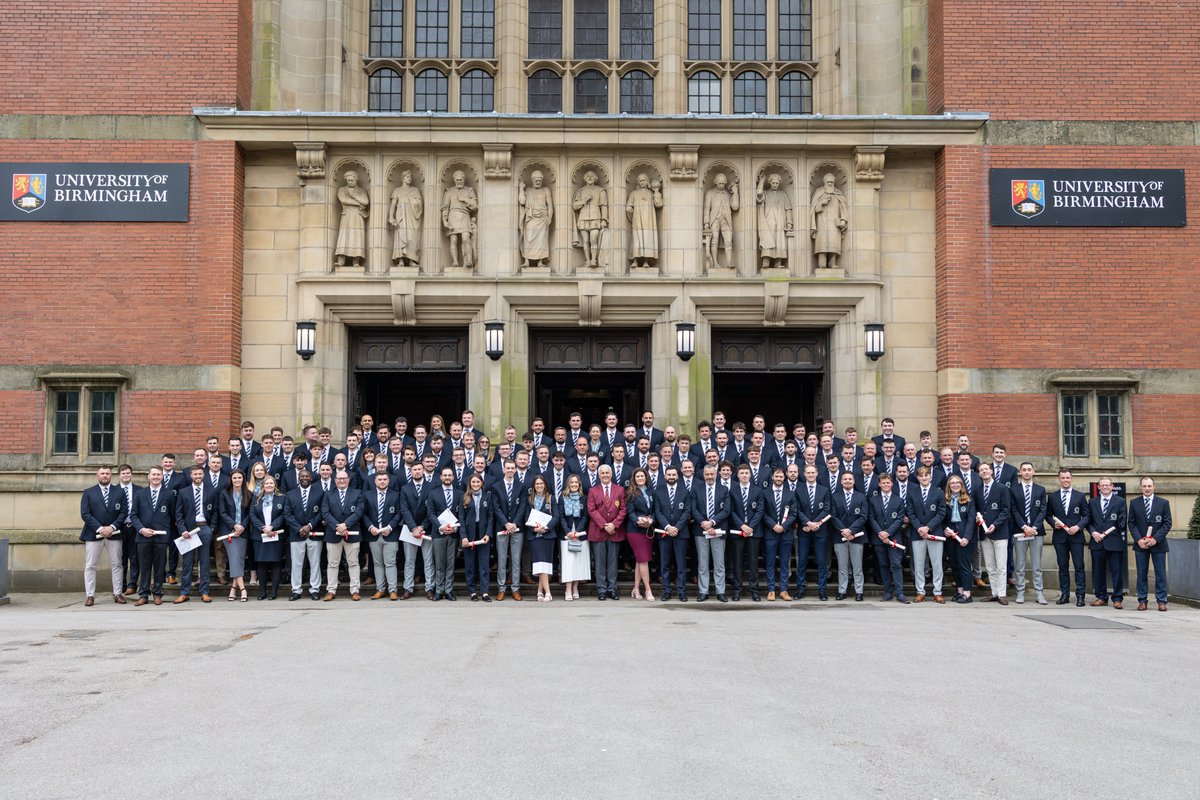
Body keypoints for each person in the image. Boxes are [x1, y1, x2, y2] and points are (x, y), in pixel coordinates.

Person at [130, 466, 174, 606]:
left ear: (162, 476)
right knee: (144, 566)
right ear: (148, 476)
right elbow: (134, 515)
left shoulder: (169, 494)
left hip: (161, 537)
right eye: (153, 474)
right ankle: (143, 595)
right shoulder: (139, 494)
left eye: (158, 475)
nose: (156, 477)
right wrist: (142, 529)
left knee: (160, 567)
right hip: (143, 537)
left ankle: (157, 594)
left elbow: (172, 516)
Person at [174, 465, 218, 604]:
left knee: (204, 562)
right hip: (189, 530)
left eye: (200, 474)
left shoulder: (212, 491)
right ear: (191, 475)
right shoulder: (183, 492)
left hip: (205, 528)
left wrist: (212, 528)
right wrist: (182, 530)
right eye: (195, 474)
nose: (198, 476)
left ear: (203, 474)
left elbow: (216, 511)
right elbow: (178, 514)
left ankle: (204, 592)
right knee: (187, 562)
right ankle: (184, 592)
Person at [1047, 468, 1090, 606]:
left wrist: (1078, 526)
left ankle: (1080, 596)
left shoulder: (1080, 496)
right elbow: (1047, 515)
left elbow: (1087, 515)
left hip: (1076, 537)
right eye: (1063, 478)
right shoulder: (1053, 497)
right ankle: (1064, 595)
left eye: (1067, 478)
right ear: (1059, 479)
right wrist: (1054, 524)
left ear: (1071, 478)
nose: (1065, 480)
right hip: (1060, 537)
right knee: (1062, 567)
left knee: (1079, 566)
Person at [321, 469, 364, 601]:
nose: (342, 481)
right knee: (333, 563)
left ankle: (355, 590)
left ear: (348, 479)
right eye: (339, 478)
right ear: (335, 480)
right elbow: (325, 513)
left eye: (344, 478)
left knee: (353, 563)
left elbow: (359, 511)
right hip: (333, 534)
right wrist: (337, 526)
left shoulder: (357, 493)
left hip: (352, 533)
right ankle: (331, 590)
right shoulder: (328, 494)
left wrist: (346, 525)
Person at [1130, 476, 1171, 611]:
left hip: (1158, 544)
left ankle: (1161, 601)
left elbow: (1167, 523)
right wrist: (1139, 540)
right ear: (1141, 487)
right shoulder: (1134, 503)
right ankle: (1142, 600)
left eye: (1149, 486)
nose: (1147, 488)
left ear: (1154, 487)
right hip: (1141, 545)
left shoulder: (1163, 503)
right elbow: (1132, 524)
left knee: (1160, 574)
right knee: (1142, 573)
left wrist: (1155, 539)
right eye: (1144, 486)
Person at [284, 467, 325, 601]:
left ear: (311, 478)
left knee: (315, 563)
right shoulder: (290, 494)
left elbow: (321, 512)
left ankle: (315, 589)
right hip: (297, 535)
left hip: (314, 532)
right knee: (296, 564)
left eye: (307, 476)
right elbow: (287, 515)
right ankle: (296, 590)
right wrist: (299, 528)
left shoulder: (319, 492)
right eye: (302, 476)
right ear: (298, 478)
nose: (305, 478)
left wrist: (309, 526)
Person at [1010, 462, 1048, 605]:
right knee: (1020, 564)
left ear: (1034, 472)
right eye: (1024, 470)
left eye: (1029, 470)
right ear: (1020, 472)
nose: (1026, 472)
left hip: (1036, 532)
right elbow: (1013, 510)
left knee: (1037, 565)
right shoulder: (1014, 490)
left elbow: (1043, 510)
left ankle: (1039, 593)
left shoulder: (1040, 490)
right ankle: (1020, 592)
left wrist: (1034, 527)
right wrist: (1025, 526)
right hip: (1020, 531)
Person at [907, 466, 947, 602]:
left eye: (926, 475)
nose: (924, 478)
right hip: (917, 533)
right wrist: (920, 528)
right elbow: (910, 513)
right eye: (921, 476)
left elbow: (941, 513)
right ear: (917, 478)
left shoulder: (938, 493)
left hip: (935, 533)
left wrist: (928, 527)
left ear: (931, 477)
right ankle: (920, 591)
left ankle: (937, 591)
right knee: (918, 564)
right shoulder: (912, 492)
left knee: (937, 564)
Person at [868, 473, 910, 603]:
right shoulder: (873, 500)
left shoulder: (899, 500)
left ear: (892, 484)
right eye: (883, 483)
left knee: (896, 564)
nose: (886, 485)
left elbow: (899, 519)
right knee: (883, 565)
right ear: (879, 484)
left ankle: (900, 593)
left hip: (894, 538)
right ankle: (888, 592)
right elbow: (871, 518)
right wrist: (881, 533)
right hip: (878, 538)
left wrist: (888, 533)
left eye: (888, 483)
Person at [587, 464, 627, 601]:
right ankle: (601, 589)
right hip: (598, 531)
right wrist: (604, 525)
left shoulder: (620, 490)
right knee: (599, 562)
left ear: (611, 474)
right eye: (602, 473)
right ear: (599, 475)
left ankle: (612, 589)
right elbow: (591, 510)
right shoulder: (593, 490)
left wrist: (614, 524)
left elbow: (623, 509)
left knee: (612, 562)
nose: (605, 475)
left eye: (607, 473)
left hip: (614, 531)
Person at [691, 464, 730, 602]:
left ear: (716, 474)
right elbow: (694, 509)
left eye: (711, 474)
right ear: (703, 475)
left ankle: (720, 592)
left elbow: (726, 510)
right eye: (707, 474)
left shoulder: (724, 490)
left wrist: (712, 523)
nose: (709, 477)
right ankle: (703, 591)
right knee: (702, 563)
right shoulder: (696, 489)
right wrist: (705, 524)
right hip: (701, 530)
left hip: (718, 530)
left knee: (719, 563)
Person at [1087, 477, 1128, 609]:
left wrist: (1107, 532)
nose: (1105, 487)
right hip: (1097, 541)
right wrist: (1093, 532)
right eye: (1102, 485)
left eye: (1107, 485)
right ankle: (1101, 597)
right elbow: (1088, 520)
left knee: (1116, 571)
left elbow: (1122, 522)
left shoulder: (1120, 501)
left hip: (1114, 541)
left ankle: (1117, 598)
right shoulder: (1092, 502)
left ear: (1112, 486)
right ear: (1098, 487)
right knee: (1098, 571)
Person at [974, 463, 1011, 604]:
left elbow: (1006, 510)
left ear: (991, 471)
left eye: (986, 469)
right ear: (979, 474)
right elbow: (976, 509)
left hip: (1000, 532)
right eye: (981, 470)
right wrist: (977, 518)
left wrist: (995, 525)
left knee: (1001, 565)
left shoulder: (1002, 488)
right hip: (984, 533)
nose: (984, 471)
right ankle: (994, 592)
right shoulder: (977, 490)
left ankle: (1002, 594)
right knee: (990, 565)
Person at [795, 464, 833, 600]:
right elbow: (797, 510)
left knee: (822, 562)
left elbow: (827, 509)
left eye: (813, 472)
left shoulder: (824, 490)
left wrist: (815, 523)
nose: (810, 475)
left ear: (817, 473)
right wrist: (808, 523)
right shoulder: (798, 490)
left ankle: (822, 590)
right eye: (808, 473)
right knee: (802, 561)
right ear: (804, 474)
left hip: (820, 530)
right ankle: (800, 589)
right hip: (804, 530)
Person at [491, 459, 527, 601]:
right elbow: (496, 507)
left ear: (516, 469)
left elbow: (522, 507)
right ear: (503, 469)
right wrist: (506, 523)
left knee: (516, 560)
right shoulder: (496, 486)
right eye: (508, 468)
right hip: (502, 528)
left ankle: (515, 589)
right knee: (501, 560)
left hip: (517, 529)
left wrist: (515, 524)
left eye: (513, 468)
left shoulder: (521, 486)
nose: (511, 470)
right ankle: (501, 589)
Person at [728, 463, 764, 601]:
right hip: (738, 532)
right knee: (737, 562)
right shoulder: (732, 490)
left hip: (753, 531)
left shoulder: (758, 490)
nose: (744, 475)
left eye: (746, 473)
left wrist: (750, 527)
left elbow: (760, 510)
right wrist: (742, 526)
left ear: (750, 475)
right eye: (741, 473)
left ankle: (754, 590)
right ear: (737, 475)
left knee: (753, 562)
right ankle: (737, 590)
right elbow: (731, 510)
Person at [400, 462, 436, 599]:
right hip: (410, 529)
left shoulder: (432, 487)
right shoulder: (405, 488)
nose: (417, 472)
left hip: (426, 528)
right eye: (414, 470)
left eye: (419, 469)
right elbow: (404, 509)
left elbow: (432, 509)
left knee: (428, 561)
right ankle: (408, 588)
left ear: (423, 470)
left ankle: (429, 588)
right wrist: (413, 527)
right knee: (409, 561)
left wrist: (422, 526)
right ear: (411, 472)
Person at [654, 465, 691, 601]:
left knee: (681, 564)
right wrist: (668, 527)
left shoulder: (685, 491)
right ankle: (667, 591)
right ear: (665, 476)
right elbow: (657, 512)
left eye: (673, 475)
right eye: (669, 475)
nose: (671, 477)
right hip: (664, 533)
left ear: (678, 476)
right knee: (664, 564)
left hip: (681, 534)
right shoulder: (658, 491)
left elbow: (687, 511)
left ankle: (682, 591)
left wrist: (677, 528)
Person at [364, 470, 402, 600]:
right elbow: (363, 514)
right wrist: (370, 527)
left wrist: (390, 527)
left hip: (390, 534)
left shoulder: (396, 495)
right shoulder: (367, 495)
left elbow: (399, 513)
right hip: (374, 534)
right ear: (375, 481)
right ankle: (380, 589)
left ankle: (392, 590)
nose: (382, 481)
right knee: (378, 563)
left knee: (390, 562)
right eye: (379, 479)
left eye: (384, 479)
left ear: (388, 481)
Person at [830, 471, 868, 601]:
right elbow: (833, 516)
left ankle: (859, 591)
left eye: (850, 479)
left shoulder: (861, 497)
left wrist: (851, 530)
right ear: (841, 481)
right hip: (839, 536)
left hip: (857, 536)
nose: (847, 481)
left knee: (857, 566)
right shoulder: (835, 496)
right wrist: (843, 530)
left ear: (854, 481)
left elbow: (863, 516)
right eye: (845, 479)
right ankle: (842, 590)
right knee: (842, 566)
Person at [218, 469, 252, 602]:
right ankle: (243, 589)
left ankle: (233, 588)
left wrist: (242, 526)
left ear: (243, 479)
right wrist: (234, 525)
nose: (237, 480)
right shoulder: (224, 493)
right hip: (229, 532)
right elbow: (223, 512)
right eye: (234, 478)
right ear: (231, 480)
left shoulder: (248, 494)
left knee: (238, 559)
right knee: (234, 558)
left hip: (243, 532)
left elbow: (250, 513)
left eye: (239, 478)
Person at [762, 467, 795, 601]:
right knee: (770, 562)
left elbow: (794, 513)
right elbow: (762, 513)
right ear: (772, 477)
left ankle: (784, 590)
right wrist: (774, 525)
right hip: (770, 533)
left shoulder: (790, 494)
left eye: (781, 477)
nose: (779, 479)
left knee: (784, 562)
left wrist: (783, 527)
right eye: (776, 476)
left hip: (786, 533)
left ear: (784, 478)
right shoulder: (765, 493)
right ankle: (771, 590)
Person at [250, 475, 285, 600]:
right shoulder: (256, 499)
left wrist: (272, 526)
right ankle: (262, 592)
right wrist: (262, 528)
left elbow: (283, 515)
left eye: (271, 483)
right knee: (262, 564)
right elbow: (252, 515)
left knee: (276, 563)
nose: (269, 486)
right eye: (266, 484)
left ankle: (274, 592)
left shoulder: (282, 498)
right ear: (262, 486)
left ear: (275, 485)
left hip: (276, 535)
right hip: (260, 536)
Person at [525, 474, 559, 602]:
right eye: (537, 484)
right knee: (540, 563)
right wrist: (534, 529)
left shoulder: (551, 498)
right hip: (535, 536)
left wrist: (546, 528)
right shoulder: (529, 499)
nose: (539, 486)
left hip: (548, 536)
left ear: (545, 485)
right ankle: (548, 592)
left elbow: (557, 516)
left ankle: (540, 591)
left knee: (545, 564)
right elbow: (525, 517)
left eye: (541, 483)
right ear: (534, 486)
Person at [624, 467, 657, 601]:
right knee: (643, 560)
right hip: (635, 531)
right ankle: (648, 590)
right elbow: (630, 512)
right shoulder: (631, 493)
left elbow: (655, 509)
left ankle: (636, 588)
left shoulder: (651, 492)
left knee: (640, 560)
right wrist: (638, 521)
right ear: (634, 479)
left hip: (648, 529)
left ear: (646, 478)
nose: (640, 478)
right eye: (637, 476)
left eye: (642, 476)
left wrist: (651, 520)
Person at [943, 475, 976, 604]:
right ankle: (960, 591)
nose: (955, 485)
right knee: (955, 566)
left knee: (964, 566)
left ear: (961, 485)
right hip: (951, 538)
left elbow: (970, 521)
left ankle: (968, 593)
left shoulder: (969, 501)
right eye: (952, 483)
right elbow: (942, 518)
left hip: (964, 539)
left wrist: (966, 537)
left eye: (958, 483)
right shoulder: (946, 501)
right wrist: (944, 530)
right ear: (949, 486)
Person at [461, 474, 494, 601]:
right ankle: (472, 592)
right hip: (469, 535)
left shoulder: (487, 496)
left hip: (483, 533)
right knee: (470, 565)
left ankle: (485, 592)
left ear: (482, 483)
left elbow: (491, 516)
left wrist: (488, 534)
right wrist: (463, 536)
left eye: (478, 482)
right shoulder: (464, 497)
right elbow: (461, 518)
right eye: (473, 482)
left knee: (484, 564)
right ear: (470, 483)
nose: (475, 484)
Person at [557, 473, 589, 601]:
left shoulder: (584, 498)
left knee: (578, 562)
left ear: (579, 484)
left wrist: (578, 531)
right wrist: (568, 531)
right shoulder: (562, 498)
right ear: (568, 484)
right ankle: (568, 589)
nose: (574, 484)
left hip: (580, 535)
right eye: (572, 482)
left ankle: (575, 587)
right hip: (567, 535)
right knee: (568, 563)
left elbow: (586, 516)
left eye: (576, 482)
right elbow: (561, 516)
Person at [809, 172, 849, 269]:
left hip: (834, 223)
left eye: (831, 182)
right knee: (822, 242)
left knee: (833, 242)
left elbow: (843, 208)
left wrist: (843, 220)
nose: (830, 184)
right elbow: (813, 209)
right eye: (828, 182)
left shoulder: (838, 194)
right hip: (821, 223)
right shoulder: (819, 193)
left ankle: (832, 263)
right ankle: (821, 263)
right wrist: (822, 203)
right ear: (824, 182)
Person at [755, 172, 792, 269]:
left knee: (779, 241)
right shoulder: (766, 193)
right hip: (768, 221)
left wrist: (789, 222)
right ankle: (766, 262)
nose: (775, 185)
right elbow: (758, 194)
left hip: (780, 221)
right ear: (770, 183)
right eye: (773, 183)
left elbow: (788, 209)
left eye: (777, 183)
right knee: (767, 240)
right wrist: (761, 182)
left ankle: (778, 263)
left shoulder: (783, 194)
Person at [441, 169, 477, 268]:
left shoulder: (469, 190)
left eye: (461, 179)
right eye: (457, 180)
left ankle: (469, 260)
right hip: (453, 216)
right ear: (454, 180)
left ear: (464, 179)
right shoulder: (449, 191)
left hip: (465, 215)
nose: (459, 181)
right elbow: (445, 207)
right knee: (454, 240)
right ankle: (455, 261)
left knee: (466, 238)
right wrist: (445, 220)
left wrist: (464, 199)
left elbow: (475, 206)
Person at [626, 173, 663, 268]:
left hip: (649, 220)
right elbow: (629, 207)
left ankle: (646, 261)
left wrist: (656, 191)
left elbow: (659, 204)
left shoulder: (651, 193)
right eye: (640, 181)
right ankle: (635, 260)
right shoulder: (633, 193)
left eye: (644, 180)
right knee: (637, 238)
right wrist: (631, 215)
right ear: (638, 182)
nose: (642, 182)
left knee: (647, 238)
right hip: (637, 219)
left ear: (647, 182)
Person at [703, 171, 739, 268]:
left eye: (723, 183)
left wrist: (735, 193)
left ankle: (729, 263)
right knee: (714, 241)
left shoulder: (728, 194)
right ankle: (715, 263)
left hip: (726, 219)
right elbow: (706, 208)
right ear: (715, 182)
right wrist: (706, 222)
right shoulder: (709, 193)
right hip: (714, 219)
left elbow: (735, 207)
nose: (722, 185)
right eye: (720, 183)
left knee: (728, 241)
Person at [572, 169, 607, 267]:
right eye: (588, 176)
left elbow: (604, 205)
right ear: (584, 179)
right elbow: (574, 206)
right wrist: (584, 201)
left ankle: (593, 260)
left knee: (593, 239)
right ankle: (587, 260)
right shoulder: (580, 191)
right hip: (583, 218)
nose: (590, 178)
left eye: (592, 176)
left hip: (596, 217)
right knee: (585, 241)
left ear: (595, 179)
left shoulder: (600, 190)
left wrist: (604, 219)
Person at [114, 464, 140, 596]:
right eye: (123, 473)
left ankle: (132, 584)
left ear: (131, 474)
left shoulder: (139, 490)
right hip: (119, 529)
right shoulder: (113, 491)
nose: (126, 475)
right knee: (120, 559)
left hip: (134, 528)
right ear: (119, 475)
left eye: (128, 473)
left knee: (135, 558)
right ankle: (121, 584)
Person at [519, 170, 553, 268]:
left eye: (539, 180)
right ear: (532, 180)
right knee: (528, 238)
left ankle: (540, 262)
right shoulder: (528, 190)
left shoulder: (546, 190)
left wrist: (550, 217)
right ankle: (526, 260)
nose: (538, 182)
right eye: (536, 180)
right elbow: (522, 201)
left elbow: (550, 205)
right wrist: (521, 188)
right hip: (531, 218)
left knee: (542, 240)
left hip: (543, 218)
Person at [335, 170, 369, 267]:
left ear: (356, 180)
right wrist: (359, 203)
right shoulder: (342, 189)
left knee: (357, 237)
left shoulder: (362, 191)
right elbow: (344, 200)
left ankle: (356, 261)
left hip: (358, 216)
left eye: (352, 180)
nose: (350, 182)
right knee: (344, 237)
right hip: (347, 215)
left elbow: (366, 202)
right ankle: (341, 260)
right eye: (348, 180)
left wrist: (354, 196)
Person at [389, 168, 423, 266]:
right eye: (407, 177)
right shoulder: (397, 190)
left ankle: (412, 260)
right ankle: (401, 260)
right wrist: (391, 217)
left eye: (410, 177)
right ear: (402, 178)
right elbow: (393, 205)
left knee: (412, 238)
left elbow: (420, 204)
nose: (409, 179)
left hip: (413, 217)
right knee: (401, 237)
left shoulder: (415, 190)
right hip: (401, 217)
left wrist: (407, 200)